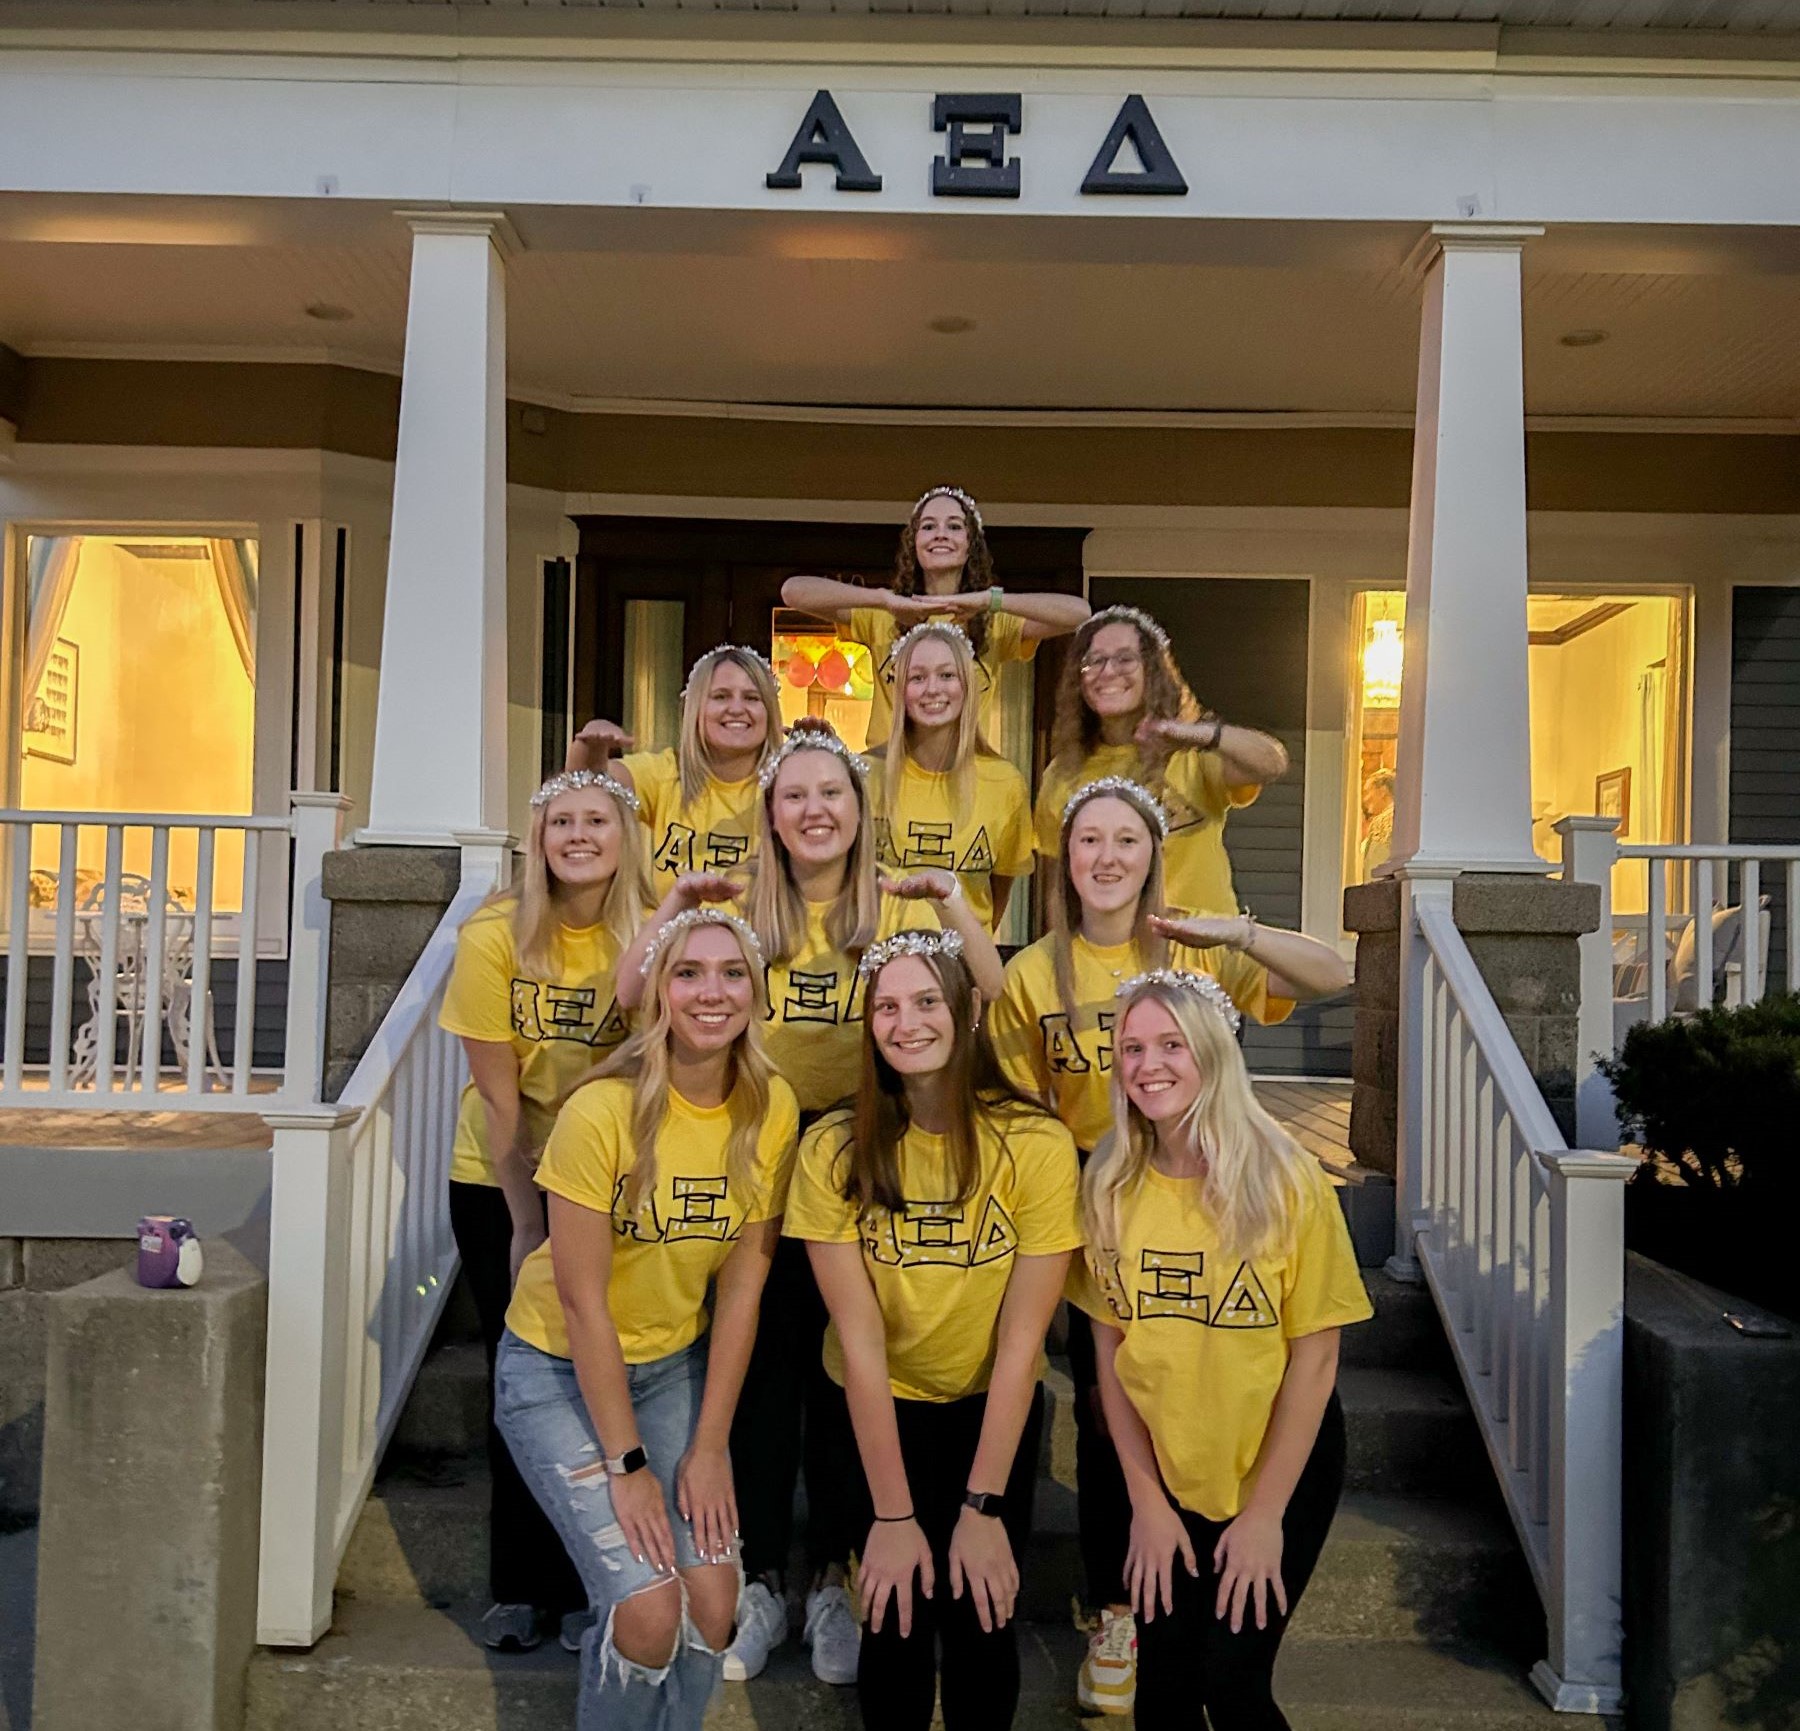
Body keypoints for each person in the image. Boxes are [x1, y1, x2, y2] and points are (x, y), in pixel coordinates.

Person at [610, 715, 1005, 1688]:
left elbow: (989, 1000)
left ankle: (835, 1573)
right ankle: (758, 1582)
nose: (815, 809)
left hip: (867, 1186)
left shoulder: (898, 912)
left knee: (839, 1390)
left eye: (832, 793)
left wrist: (956, 907)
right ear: (772, 816)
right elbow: (632, 996)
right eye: (795, 796)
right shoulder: (742, 907)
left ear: (858, 809)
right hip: (757, 1186)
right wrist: (673, 905)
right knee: (757, 1389)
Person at [988, 775, 1351, 1716]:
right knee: (1116, 1415)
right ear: (1062, 862)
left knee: (1232, 1687)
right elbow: (1015, 1103)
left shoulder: (1285, 1178)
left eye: (1127, 840)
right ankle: (1119, 1595)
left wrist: (1230, 929)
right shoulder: (1037, 973)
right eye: (1086, 840)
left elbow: (1336, 975)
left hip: (1252, 1416)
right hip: (1101, 1186)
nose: (1105, 858)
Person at [494, 907, 799, 1731]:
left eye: (732, 972)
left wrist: (707, 1447)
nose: (712, 991)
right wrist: (630, 1464)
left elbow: (743, 1287)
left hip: (673, 1367)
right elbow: (582, 1302)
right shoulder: (602, 1112)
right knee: (647, 1607)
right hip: (557, 1369)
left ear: (756, 991)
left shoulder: (772, 1109)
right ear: (659, 991)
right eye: (688, 972)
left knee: (713, 1598)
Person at [785, 927, 1083, 1731]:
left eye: (925, 1000)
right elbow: (861, 1340)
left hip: (989, 1409)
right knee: (894, 1618)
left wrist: (981, 1508)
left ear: (964, 1009)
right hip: (876, 1411)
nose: (905, 1021)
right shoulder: (833, 1147)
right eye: (886, 1004)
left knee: (985, 1616)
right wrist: (890, 1515)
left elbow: (1025, 1345)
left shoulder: (1036, 1144)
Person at [1072, 970, 1372, 1731]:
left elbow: (1317, 1359)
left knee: (1231, 1681)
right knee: (1164, 1689)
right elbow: (1110, 1354)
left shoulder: (1287, 1180)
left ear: (1211, 1051)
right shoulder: (1109, 1182)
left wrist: (1265, 1514)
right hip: (1167, 1470)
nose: (1149, 1065)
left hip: (1274, 1468)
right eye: (1132, 1048)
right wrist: (1145, 1502)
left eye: (1171, 1044)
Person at [437, 766, 649, 1654]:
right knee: (522, 1376)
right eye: (561, 820)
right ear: (540, 837)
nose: (578, 834)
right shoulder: (495, 932)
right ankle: (522, 1585)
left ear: (623, 834)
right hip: (501, 1178)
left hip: (607, 1179)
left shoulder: (648, 928)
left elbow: (654, 1060)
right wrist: (528, 1219)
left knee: (605, 1375)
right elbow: (498, 1096)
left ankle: (596, 1582)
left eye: (597, 819)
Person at [782, 485, 1089, 750]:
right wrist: (883, 599)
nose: (941, 534)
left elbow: (1077, 614)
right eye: (928, 527)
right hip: (889, 775)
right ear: (913, 544)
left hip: (965, 777)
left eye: (954, 527)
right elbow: (793, 592)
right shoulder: (884, 613)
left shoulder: (994, 622)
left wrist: (988, 600)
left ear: (971, 545)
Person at [1034, 606, 1287, 918]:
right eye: (1094, 661)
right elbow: (1057, 887)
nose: (1108, 672)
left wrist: (1194, 733)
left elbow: (1271, 763)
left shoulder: (1194, 754)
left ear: (1153, 671)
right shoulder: (1061, 774)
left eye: (1125, 659)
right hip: (1111, 955)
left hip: (1203, 951)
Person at [567, 644, 783, 899]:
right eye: (720, 696)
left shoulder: (787, 785)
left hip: (759, 939)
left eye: (752, 698)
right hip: (668, 936)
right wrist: (590, 746)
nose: (736, 708)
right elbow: (584, 793)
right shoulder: (665, 773)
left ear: (769, 711)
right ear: (694, 709)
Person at [874, 620, 1033, 931]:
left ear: (967, 686)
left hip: (966, 967)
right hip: (882, 965)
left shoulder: (1005, 783)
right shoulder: (866, 776)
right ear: (900, 689)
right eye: (917, 677)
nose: (933, 689)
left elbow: (999, 889)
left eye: (947, 675)